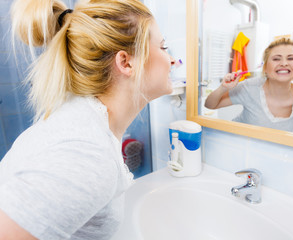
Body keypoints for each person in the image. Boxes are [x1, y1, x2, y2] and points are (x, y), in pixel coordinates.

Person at [0, 0, 175, 239]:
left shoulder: (81, 120)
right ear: (126, 62)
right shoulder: (88, 155)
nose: (172, 60)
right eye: (163, 47)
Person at [205, 38, 293, 131]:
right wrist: (223, 88)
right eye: (276, 59)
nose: (284, 63)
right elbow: (210, 105)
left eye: (291, 58)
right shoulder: (249, 88)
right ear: (265, 67)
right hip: (237, 143)